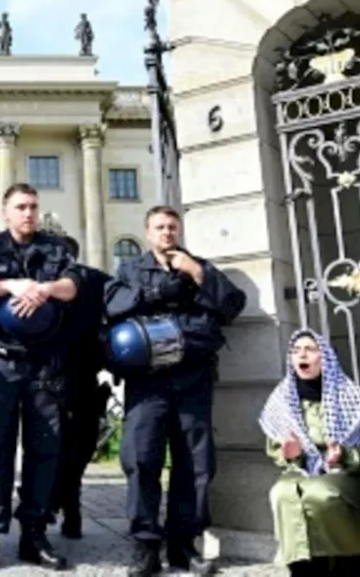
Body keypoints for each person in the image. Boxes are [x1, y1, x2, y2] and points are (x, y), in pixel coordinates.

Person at [0, 183, 108, 574]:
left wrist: (43, 289)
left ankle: (34, 534)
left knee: (46, 451)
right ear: (6, 211)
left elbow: (74, 284)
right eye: (21, 207)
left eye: (33, 207)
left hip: (45, 364)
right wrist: (11, 285)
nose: (29, 213)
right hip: (0, 361)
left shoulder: (55, 248)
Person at [106, 205, 246, 576]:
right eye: (159, 227)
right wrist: (151, 292)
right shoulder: (130, 270)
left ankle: (184, 545)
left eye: (172, 227)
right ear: (147, 232)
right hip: (147, 383)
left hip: (191, 381)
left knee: (195, 464)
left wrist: (197, 274)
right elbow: (111, 306)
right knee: (141, 461)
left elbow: (232, 305)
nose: (166, 233)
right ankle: (145, 547)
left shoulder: (198, 266)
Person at [259, 329, 360, 576]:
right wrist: (290, 454)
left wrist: (342, 455)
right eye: (295, 350)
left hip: (346, 472)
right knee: (282, 492)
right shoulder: (281, 400)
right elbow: (277, 450)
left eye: (310, 350)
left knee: (320, 494)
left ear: (326, 358)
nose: (302, 355)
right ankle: (302, 569)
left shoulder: (351, 397)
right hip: (301, 469)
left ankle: (349, 563)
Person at [48, 234, 111, 539]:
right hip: (49, 379)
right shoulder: (41, 284)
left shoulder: (93, 280)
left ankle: (64, 503)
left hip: (85, 377)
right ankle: (64, 509)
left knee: (81, 449)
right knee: (55, 451)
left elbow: (121, 299)